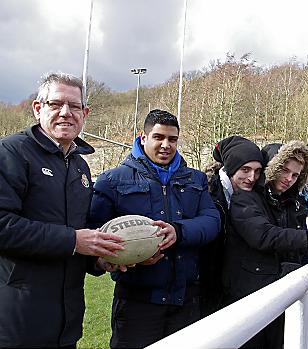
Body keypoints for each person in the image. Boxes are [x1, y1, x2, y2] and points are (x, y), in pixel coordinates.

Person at [0, 72, 124, 348]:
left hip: (66, 323)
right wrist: (74, 241)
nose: (66, 113)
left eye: (75, 106)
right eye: (55, 104)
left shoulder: (80, 166)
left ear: (85, 113)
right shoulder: (11, 153)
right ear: (37, 108)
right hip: (17, 323)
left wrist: (97, 260)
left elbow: (75, 232)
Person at [89, 109, 220, 349]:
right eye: (158, 137)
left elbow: (212, 221)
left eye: (172, 139)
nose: (166, 145)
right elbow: (94, 234)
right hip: (137, 302)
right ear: (143, 137)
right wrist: (117, 258)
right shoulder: (112, 180)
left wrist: (178, 231)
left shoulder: (196, 179)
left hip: (186, 300)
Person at [222, 140, 308, 348]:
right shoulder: (246, 198)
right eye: (284, 170)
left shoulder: (290, 203)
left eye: (296, 175)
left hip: (279, 293)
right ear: (272, 167)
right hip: (250, 296)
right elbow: (263, 236)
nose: (289, 179)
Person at [199, 135, 265, 317]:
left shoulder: (255, 197)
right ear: (231, 168)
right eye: (245, 169)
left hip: (234, 286)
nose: (252, 177)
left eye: (257, 171)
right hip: (206, 286)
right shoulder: (208, 193)